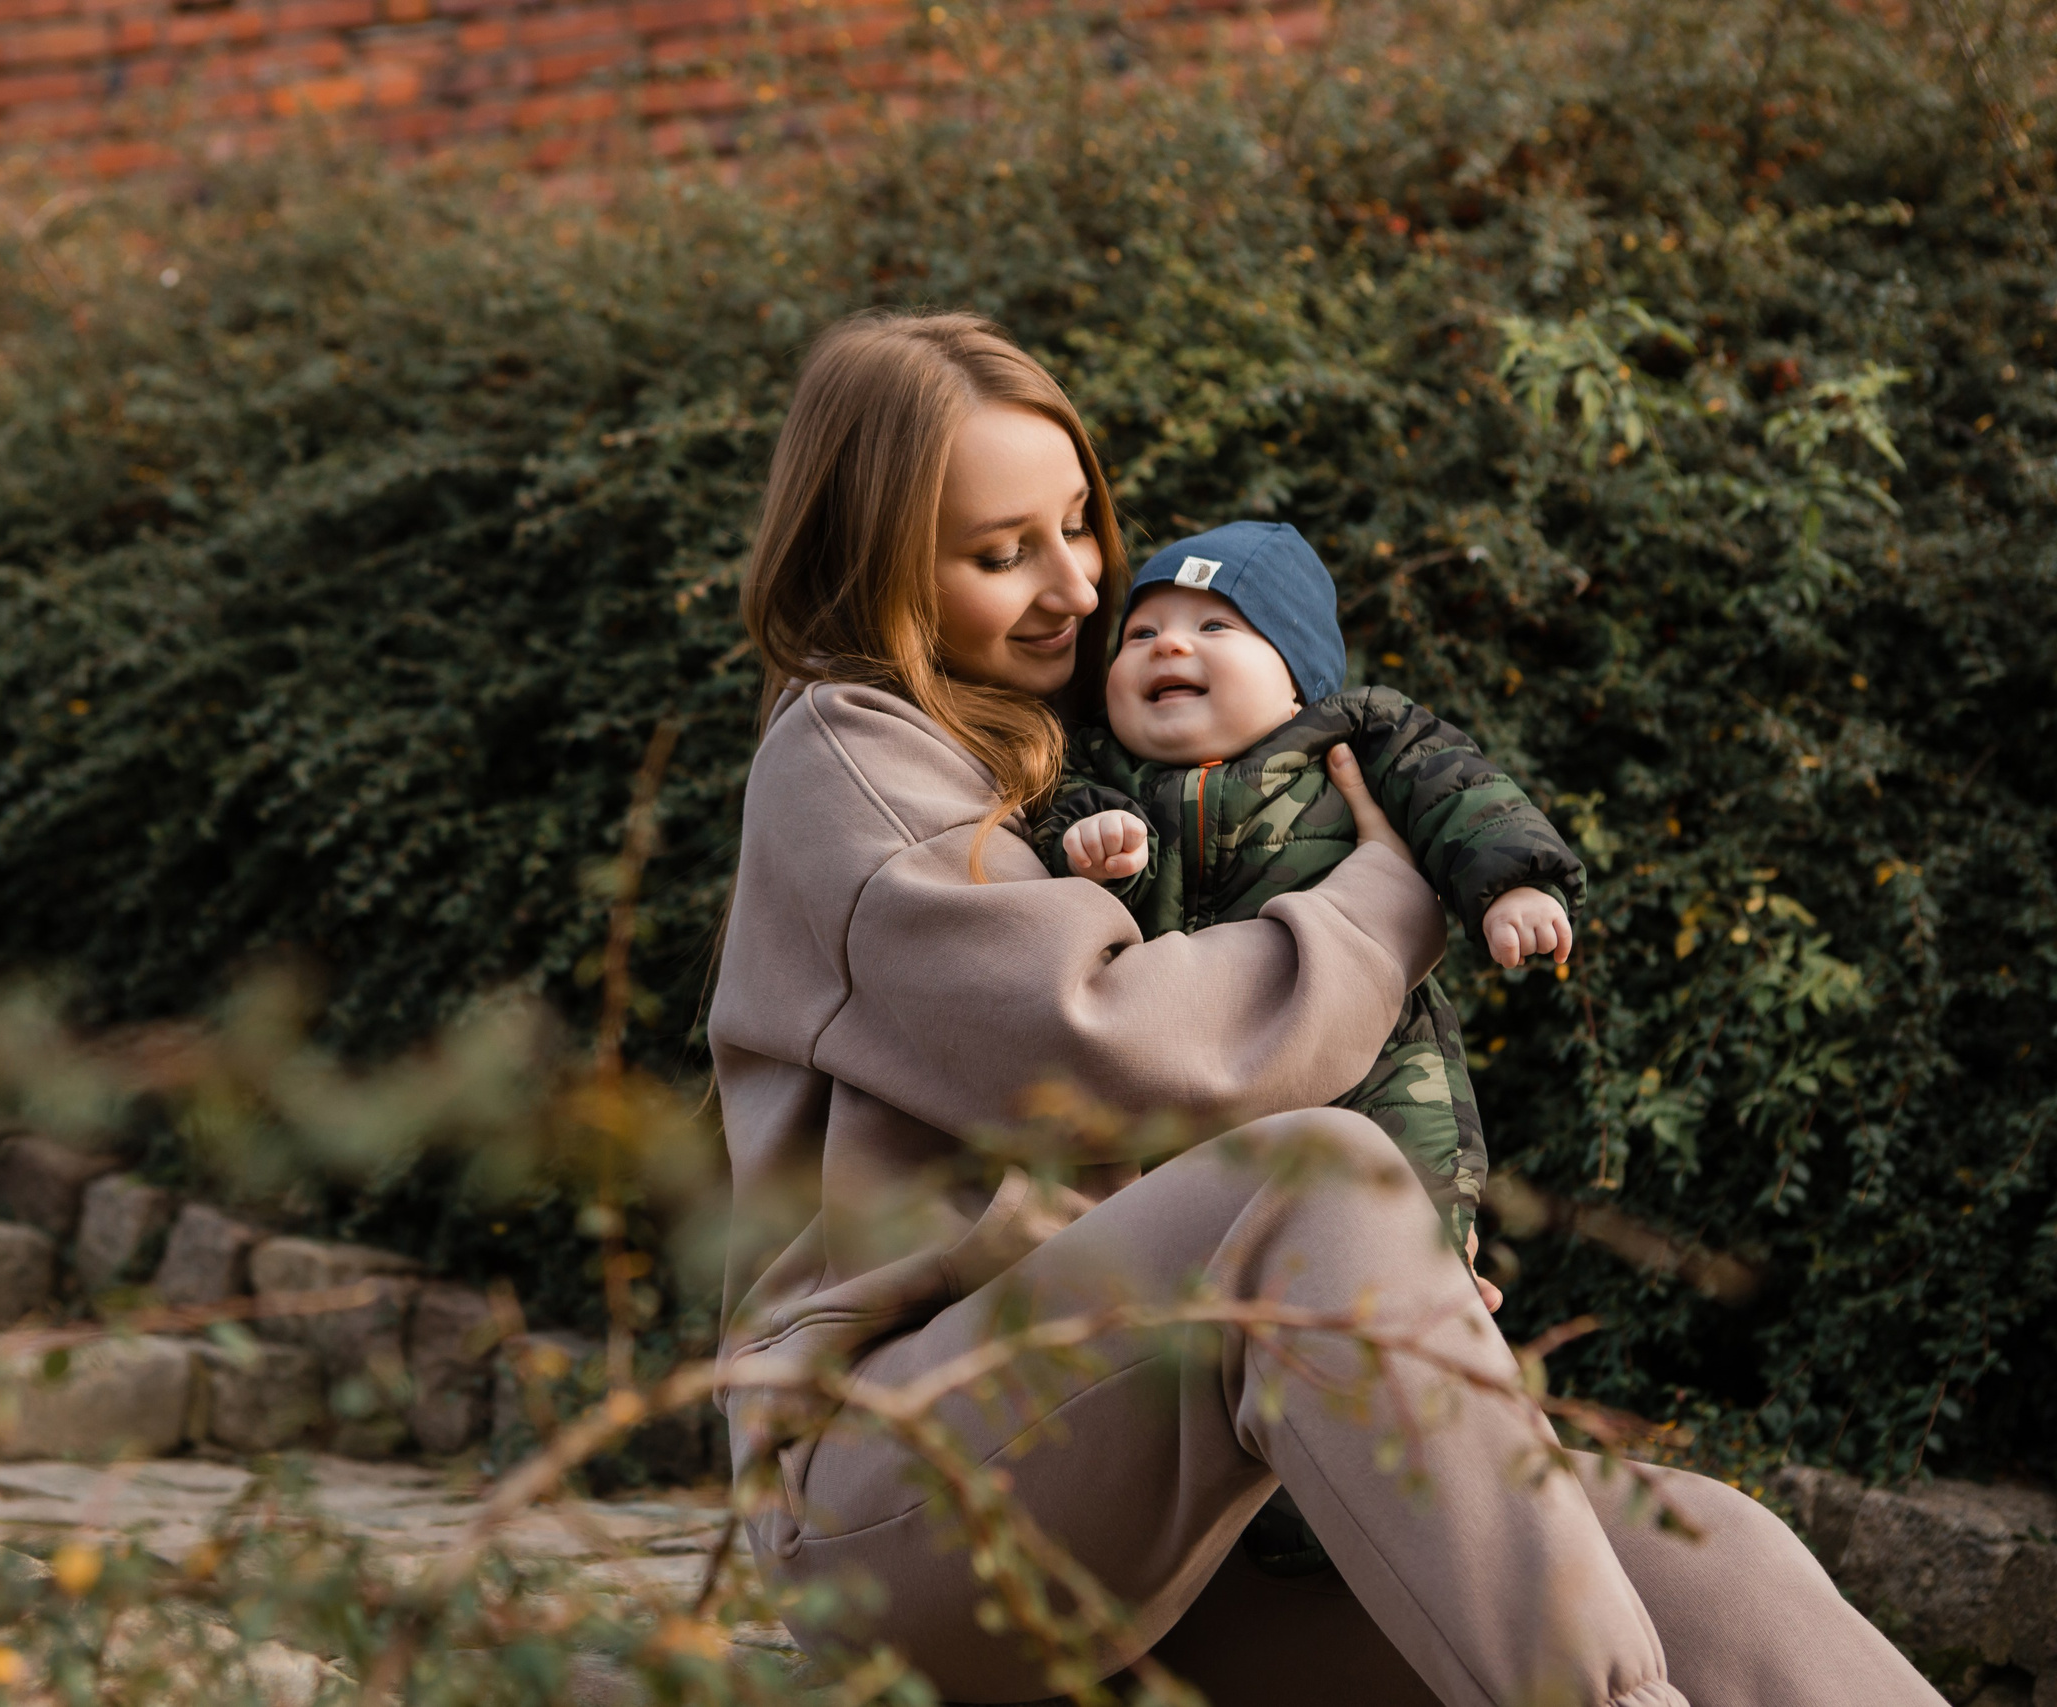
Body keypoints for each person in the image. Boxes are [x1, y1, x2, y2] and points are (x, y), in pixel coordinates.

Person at [708, 307, 1942, 1707]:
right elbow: (1114, 1050)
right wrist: (1389, 892)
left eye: (1078, 523)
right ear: (868, 565)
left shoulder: (1077, 748)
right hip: (893, 1505)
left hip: (1154, 1515)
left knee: (1715, 1557)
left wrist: (1389, 1291)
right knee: (1315, 1183)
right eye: (1002, 555)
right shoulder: (848, 755)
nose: (1078, 584)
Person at [1034, 519, 1584, 1261]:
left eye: (1214, 626)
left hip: (1368, 1053)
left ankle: (1432, 1275)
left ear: (1296, 683)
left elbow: (1457, 789)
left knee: (1401, 1190)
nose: (1168, 645)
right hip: (1191, 1064)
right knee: (1189, 1238)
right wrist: (1089, 844)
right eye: (1140, 633)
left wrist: (1516, 884)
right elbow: (1056, 841)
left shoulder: (1356, 735)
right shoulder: (1095, 768)